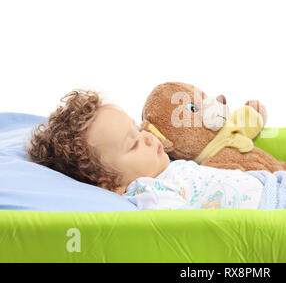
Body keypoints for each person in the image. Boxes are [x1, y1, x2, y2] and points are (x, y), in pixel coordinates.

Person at [27, 89, 265, 210]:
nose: (148, 137)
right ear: (111, 184)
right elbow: (190, 230)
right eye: (133, 144)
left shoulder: (162, 166)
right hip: (272, 209)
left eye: (138, 129)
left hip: (272, 186)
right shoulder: (151, 192)